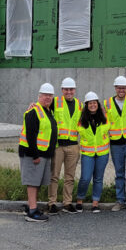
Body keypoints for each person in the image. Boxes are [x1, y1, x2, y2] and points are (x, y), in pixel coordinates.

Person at [19, 83, 59, 223]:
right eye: (45, 95)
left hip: (43, 154)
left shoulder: (47, 111)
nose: (48, 98)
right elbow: (30, 135)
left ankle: (32, 207)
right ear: (39, 96)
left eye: (50, 95)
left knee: (36, 182)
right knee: (32, 182)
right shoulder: (34, 112)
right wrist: (35, 155)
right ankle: (32, 212)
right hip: (34, 155)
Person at [48, 77, 83, 215]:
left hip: (73, 145)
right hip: (58, 146)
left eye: (71, 89)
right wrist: (33, 105)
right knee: (54, 176)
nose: (69, 92)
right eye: (66, 89)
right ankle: (52, 203)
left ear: (74, 90)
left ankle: (67, 203)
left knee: (70, 177)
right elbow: (42, 108)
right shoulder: (55, 102)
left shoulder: (80, 105)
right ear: (62, 90)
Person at [104, 75, 126, 211]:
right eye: (119, 87)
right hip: (115, 144)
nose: (121, 90)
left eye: (124, 88)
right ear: (115, 88)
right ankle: (120, 200)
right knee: (119, 173)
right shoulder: (107, 103)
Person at [76, 92, 110, 213]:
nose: (92, 105)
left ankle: (95, 203)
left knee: (98, 179)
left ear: (97, 104)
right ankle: (80, 200)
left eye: (94, 103)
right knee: (85, 178)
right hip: (88, 154)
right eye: (90, 103)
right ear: (86, 105)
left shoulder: (105, 117)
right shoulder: (81, 119)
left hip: (102, 153)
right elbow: (78, 129)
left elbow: (108, 127)